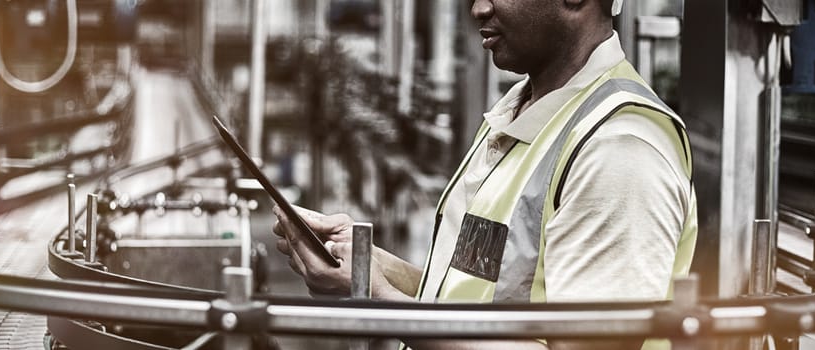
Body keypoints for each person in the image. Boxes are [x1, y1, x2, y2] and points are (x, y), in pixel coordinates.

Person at [273, 0, 697, 348]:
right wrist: (368, 265)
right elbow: (474, 297)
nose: (477, 9)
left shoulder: (619, 148)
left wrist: (379, 298)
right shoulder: (523, 110)